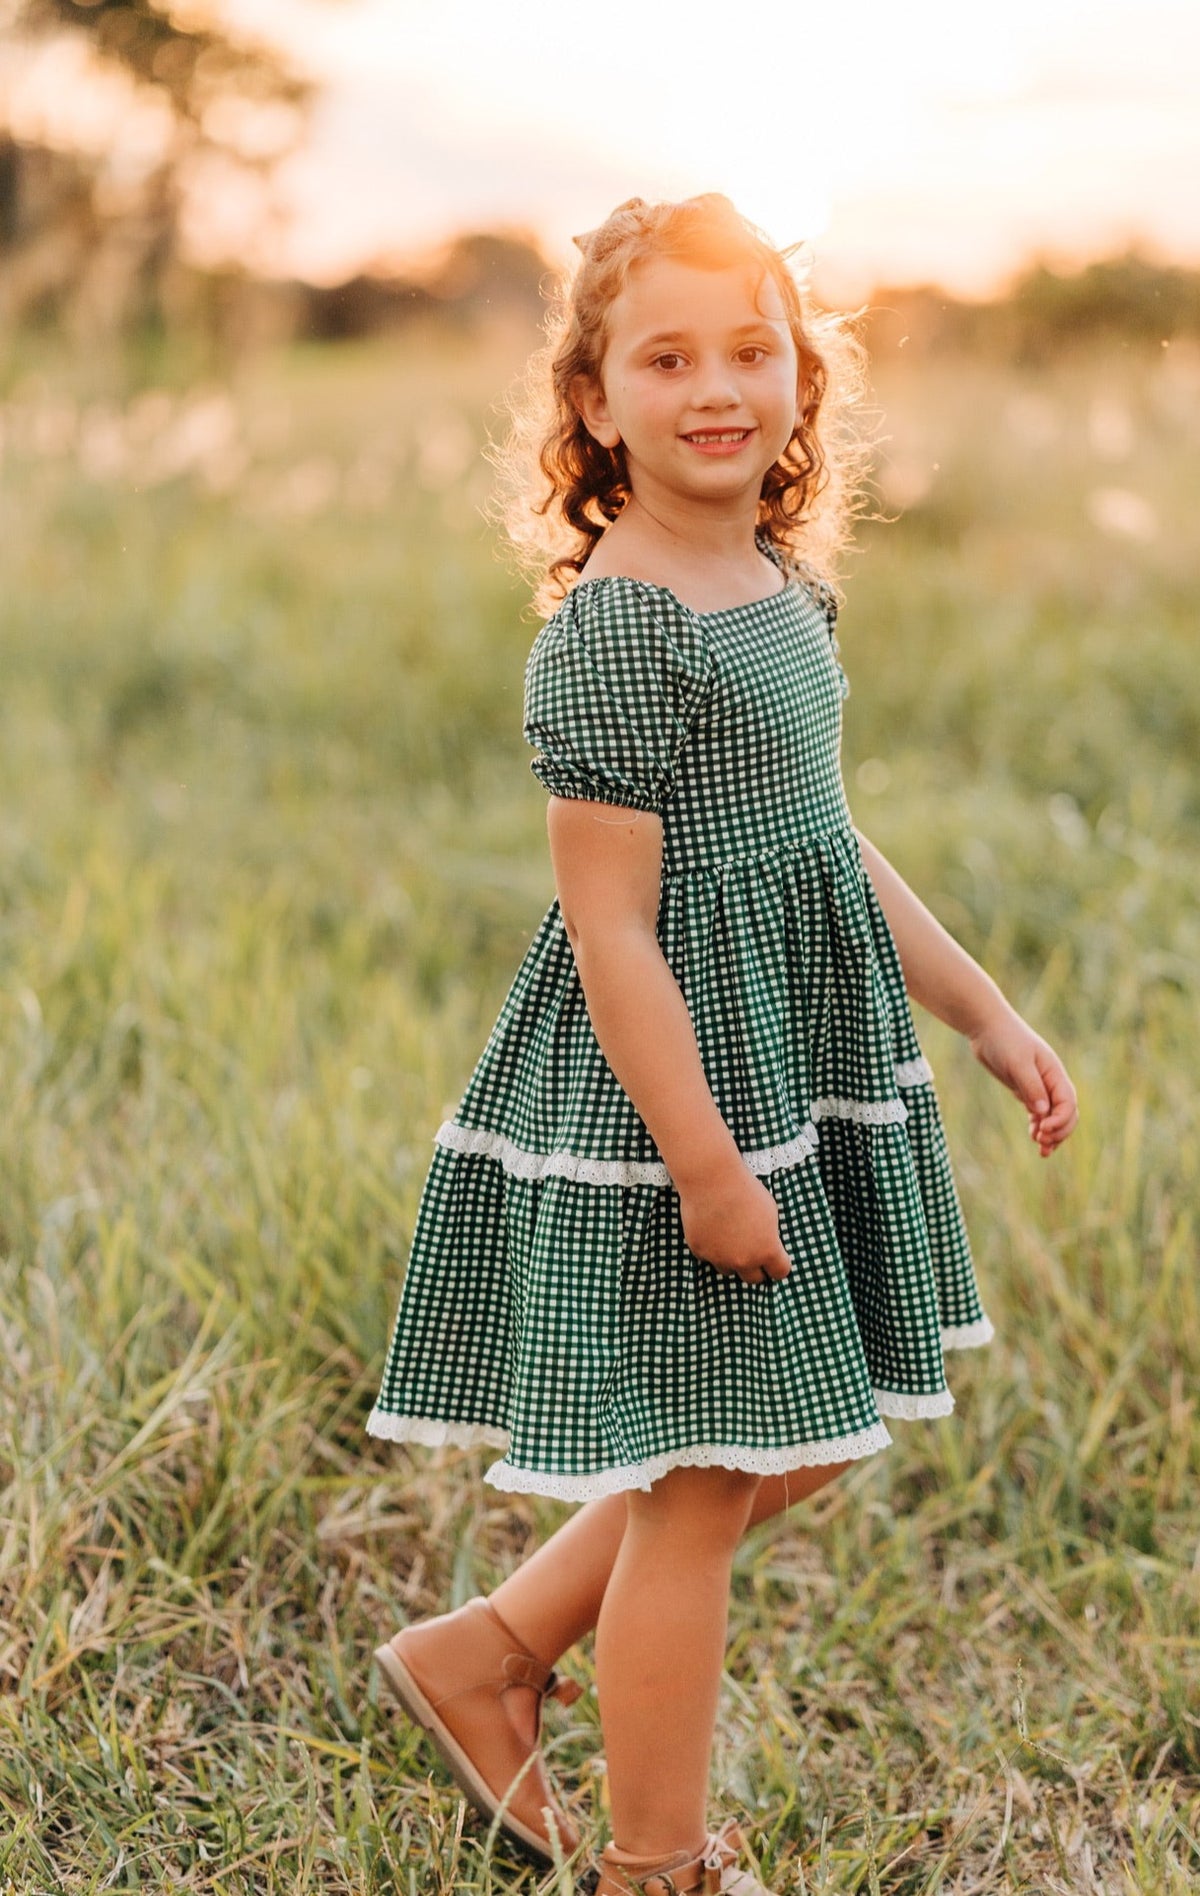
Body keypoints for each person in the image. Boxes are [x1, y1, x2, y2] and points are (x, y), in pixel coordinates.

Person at [366, 194, 1078, 1895]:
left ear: (799, 373)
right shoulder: (619, 628)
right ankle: (655, 1865)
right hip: (672, 1090)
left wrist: (979, 1008)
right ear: (595, 400)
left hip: (793, 1057)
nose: (717, 387)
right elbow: (611, 930)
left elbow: (828, 843)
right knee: (700, 1483)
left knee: (809, 1426)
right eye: (666, 355)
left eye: (751, 348)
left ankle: (484, 1654)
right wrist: (700, 1159)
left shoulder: (773, 580)